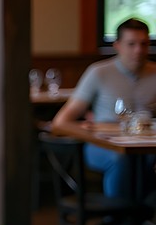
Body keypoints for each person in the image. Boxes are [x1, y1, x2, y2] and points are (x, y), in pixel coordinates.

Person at [53, 17, 156, 200]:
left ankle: (143, 221)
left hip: (145, 145)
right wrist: (90, 132)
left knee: (147, 160)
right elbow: (60, 122)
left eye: (144, 44)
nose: (138, 50)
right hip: (103, 145)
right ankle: (118, 223)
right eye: (131, 44)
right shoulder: (99, 72)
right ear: (117, 45)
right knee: (121, 159)